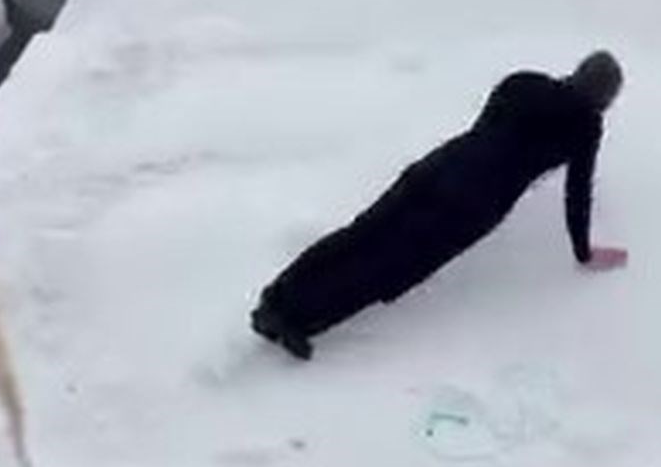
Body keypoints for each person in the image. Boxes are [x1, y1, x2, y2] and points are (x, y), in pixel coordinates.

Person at [251, 51, 628, 360]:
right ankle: (299, 321)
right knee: (388, 267)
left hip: (441, 166)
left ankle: (275, 300)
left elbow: (484, 128)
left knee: (363, 234)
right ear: (606, 99)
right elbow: (577, 192)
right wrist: (583, 252)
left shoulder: (523, 81)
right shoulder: (585, 127)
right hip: (476, 204)